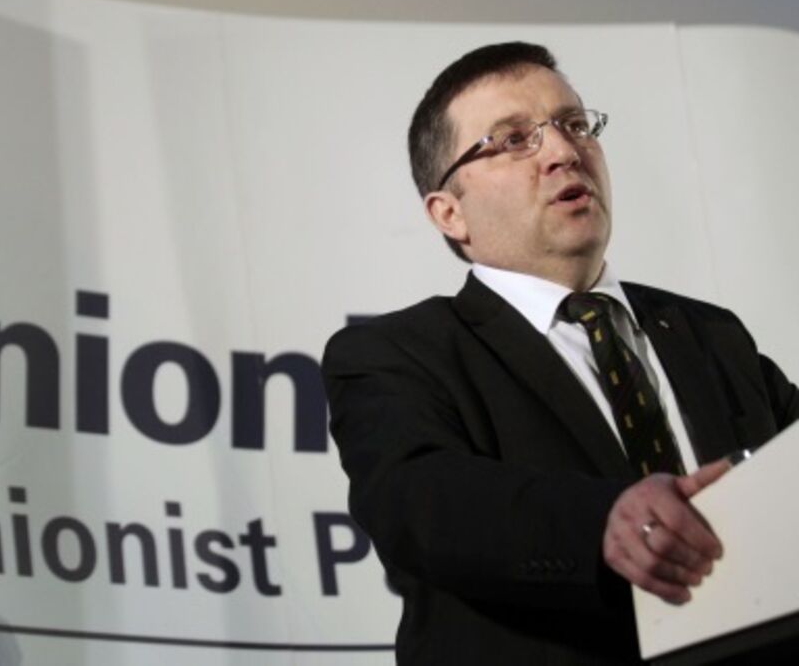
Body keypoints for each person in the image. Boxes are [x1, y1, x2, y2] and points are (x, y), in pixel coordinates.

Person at [321, 42, 799, 664]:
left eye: (574, 124)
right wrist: (607, 521)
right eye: (513, 139)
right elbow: (421, 502)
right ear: (450, 213)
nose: (564, 152)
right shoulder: (395, 354)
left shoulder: (710, 333)